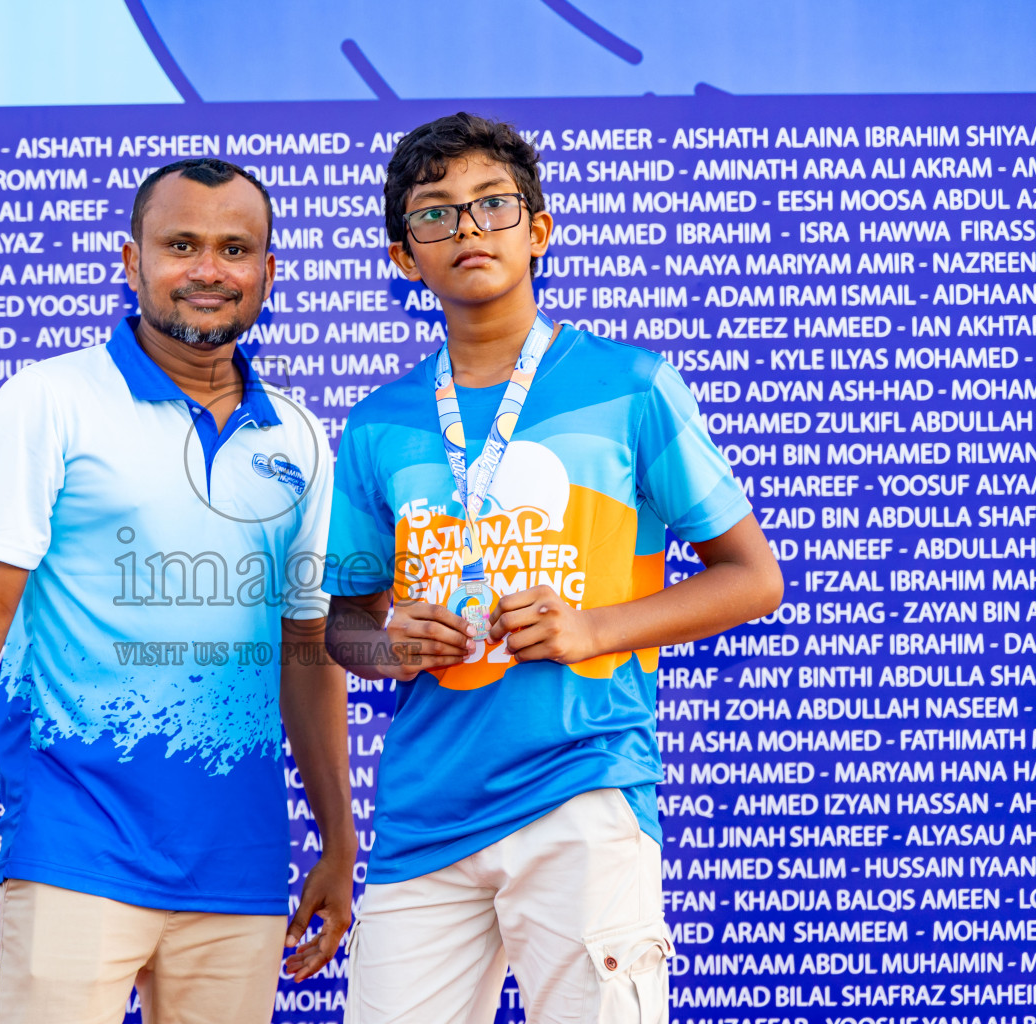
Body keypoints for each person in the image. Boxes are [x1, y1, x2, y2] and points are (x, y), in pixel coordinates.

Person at [323, 113, 784, 1024]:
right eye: (435, 215)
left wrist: (593, 630)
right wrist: (390, 646)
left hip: (583, 791)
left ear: (537, 229)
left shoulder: (631, 386)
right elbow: (346, 625)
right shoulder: (378, 423)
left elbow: (752, 576)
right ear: (403, 257)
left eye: (492, 206)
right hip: (424, 819)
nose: (467, 230)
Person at [0, 157, 355, 1024]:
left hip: (240, 865)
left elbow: (307, 650)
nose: (208, 270)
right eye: (181, 245)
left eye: (234, 248)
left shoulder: (299, 436)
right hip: (76, 848)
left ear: (268, 272)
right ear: (131, 259)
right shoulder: (50, 401)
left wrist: (337, 838)